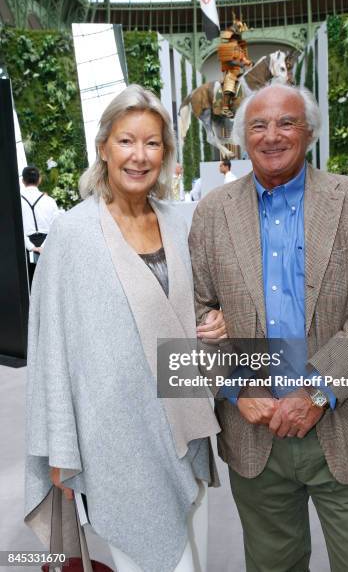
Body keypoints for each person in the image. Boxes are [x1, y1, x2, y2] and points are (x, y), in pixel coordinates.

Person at [189, 83, 348, 572]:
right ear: (241, 137)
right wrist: (236, 386)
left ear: (308, 132)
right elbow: (197, 310)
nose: (271, 136)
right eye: (258, 125)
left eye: (286, 122)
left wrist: (317, 391)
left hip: (346, 425)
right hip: (254, 434)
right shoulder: (212, 214)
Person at [25, 85, 226, 572]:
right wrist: (58, 445)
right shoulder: (72, 234)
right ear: (103, 148)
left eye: (153, 143)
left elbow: (190, 306)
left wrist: (214, 322)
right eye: (126, 141)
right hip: (113, 439)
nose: (140, 156)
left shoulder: (180, 222)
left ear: (166, 153)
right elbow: (50, 349)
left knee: (192, 558)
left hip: (183, 430)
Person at [20, 165, 59, 287]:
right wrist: (42, 246)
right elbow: (56, 226)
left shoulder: (17, 202)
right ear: (39, 179)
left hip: (25, 249)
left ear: (23, 180)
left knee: (29, 287)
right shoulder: (50, 201)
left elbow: (18, 229)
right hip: (48, 245)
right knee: (50, 286)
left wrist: (31, 247)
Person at [217, 14, 252, 117]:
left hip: (240, 72)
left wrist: (250, 63)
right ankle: (225, 108)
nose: (239, 36)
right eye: (237, 34)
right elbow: (229, 61)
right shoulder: (226, 47)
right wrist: (241, 64)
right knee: (230, 82)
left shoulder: (240, 47)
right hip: (231, 72)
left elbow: (243, 59)